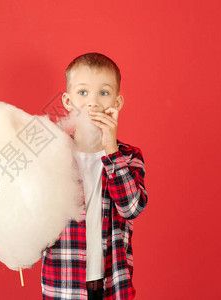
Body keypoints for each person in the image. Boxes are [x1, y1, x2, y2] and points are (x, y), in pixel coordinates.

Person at [41, 52, 148, 300]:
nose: (93, 103)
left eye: (103, 92)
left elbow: (131, 208)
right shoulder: (52, 155)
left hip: (113, 284)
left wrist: (110, 149)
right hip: (63, 283)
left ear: (117, 102)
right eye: (82, 93)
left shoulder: (129, 156)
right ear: (67, 101)